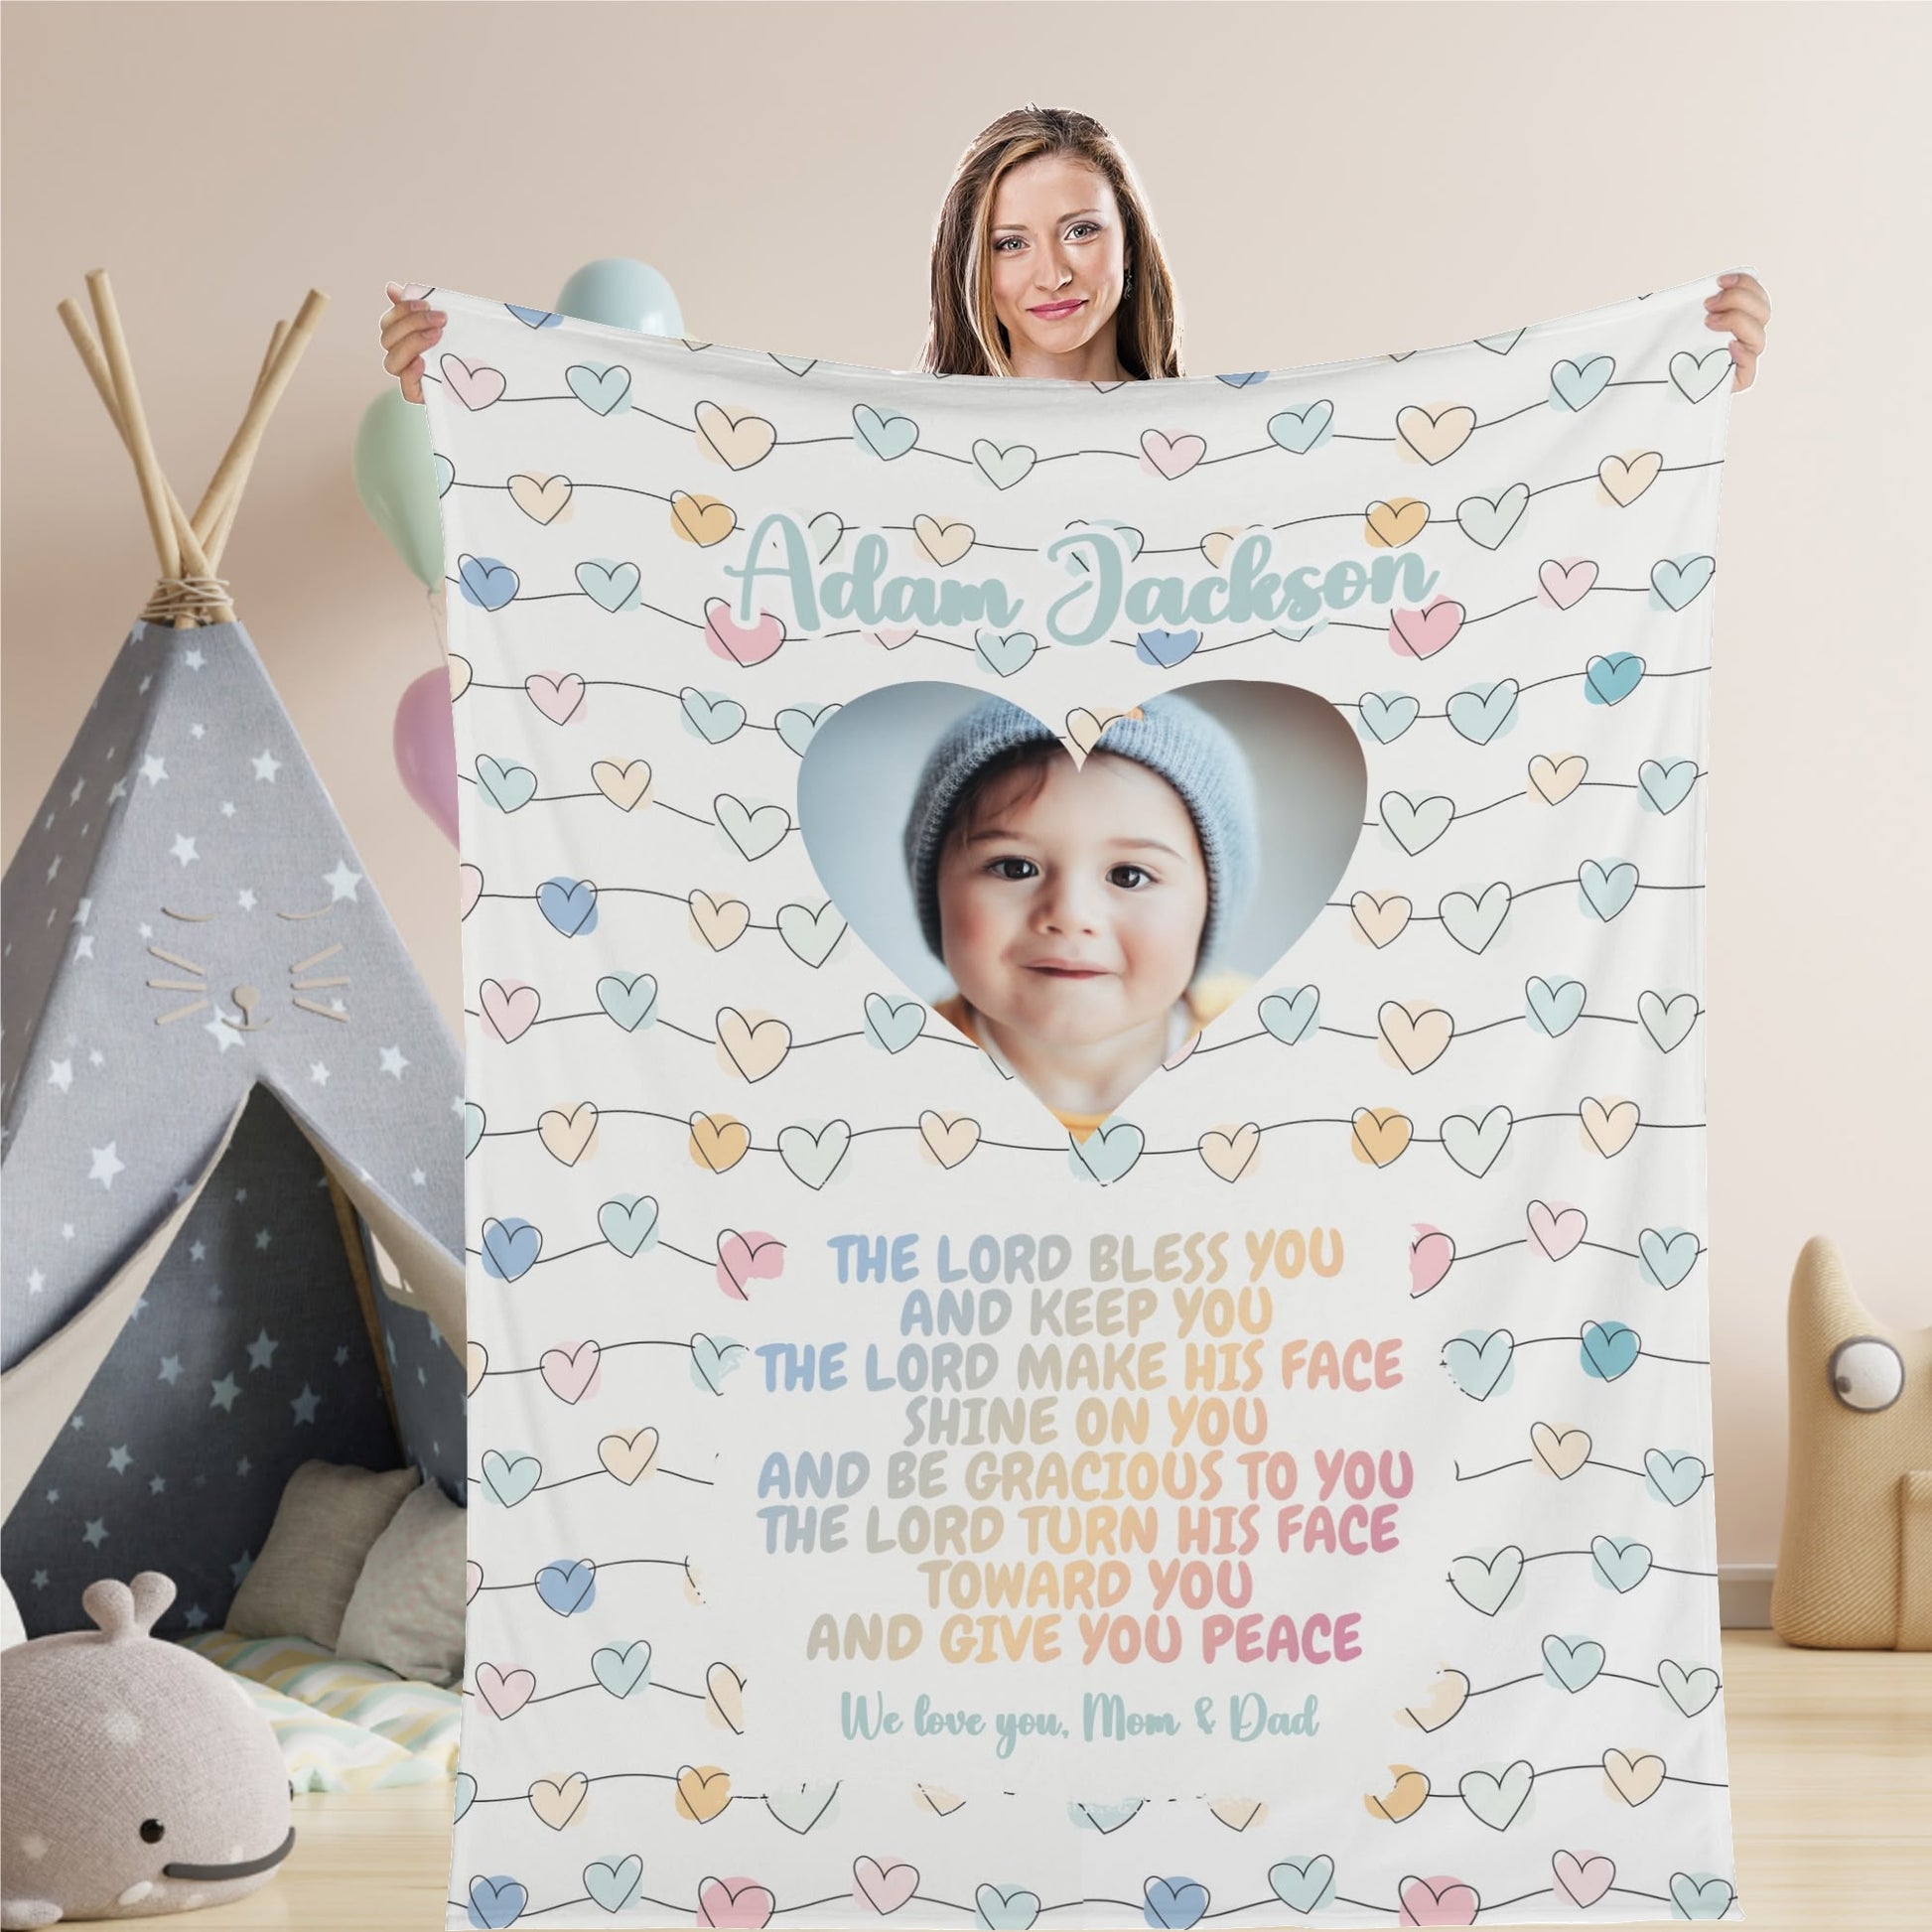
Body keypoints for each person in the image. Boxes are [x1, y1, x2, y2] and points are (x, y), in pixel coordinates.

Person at [377, 108, 1769, 396]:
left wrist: (1665, 379)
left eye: (1080, 228)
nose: (1051, 267)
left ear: (1127, 248)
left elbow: (1451, 449)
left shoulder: (1234, 439)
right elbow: (690, 484)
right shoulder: (894, 443)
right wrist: (489, 393)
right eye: (1011, 241)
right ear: (969, 270)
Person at [902, 693, 1259, 1141]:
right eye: (1015, 868)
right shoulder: (896, 1081)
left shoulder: (1268, 1050)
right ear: (936, 892)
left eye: (1129, 876)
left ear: (1210, 908)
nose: (1070, 916)